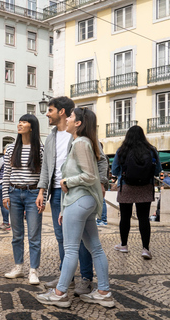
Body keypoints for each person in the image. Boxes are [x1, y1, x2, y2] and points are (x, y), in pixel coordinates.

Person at [37, 107, 114, 308]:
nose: (68, 119)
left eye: (71, 116)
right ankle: (104, 291)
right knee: (95, 248)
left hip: (79, 200)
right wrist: (65, 207)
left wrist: (67, 182)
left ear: (78, 123)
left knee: (71, 249)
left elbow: (89, 175)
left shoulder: (80, 142)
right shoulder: (85, 142)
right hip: (83, 201)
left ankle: (59, 293)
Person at [2, 114, 44, 285]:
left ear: (32, 127)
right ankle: (18, 267)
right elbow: (6, 173)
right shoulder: (11, 148)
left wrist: (43, 194)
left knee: (34, 235)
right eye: (19, 122)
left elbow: (43, 175)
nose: (19, 124)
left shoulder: (40, 149)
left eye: (24, 122)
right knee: (17, 235)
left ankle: (33, 270)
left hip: (33, 194)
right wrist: (5, 194)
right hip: (14, 193)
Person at [111, 125, 161, 260]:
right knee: (144, 218)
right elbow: (157, 171)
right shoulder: (151, 150)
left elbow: (115, 171)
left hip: (126, 187)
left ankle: (124, 245)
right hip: (145, 187)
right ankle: (145, 249)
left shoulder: (122, 150)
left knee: (125, 217)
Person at [0, 154, 11, 231]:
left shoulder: (3, 158)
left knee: (4, 204)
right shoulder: (16, 156)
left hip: (3, 183)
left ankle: (6, 223)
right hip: (13, 184)